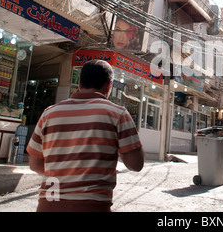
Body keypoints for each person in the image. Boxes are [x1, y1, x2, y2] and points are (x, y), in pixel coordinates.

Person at [27, 60, 144, 212]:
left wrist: (65, 173)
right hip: (92, 206)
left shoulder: (49, 114)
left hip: (48, 204)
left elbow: (34, 164)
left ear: (79, 85)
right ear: (108, 86)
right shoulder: (117, 114)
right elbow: (136, 164)